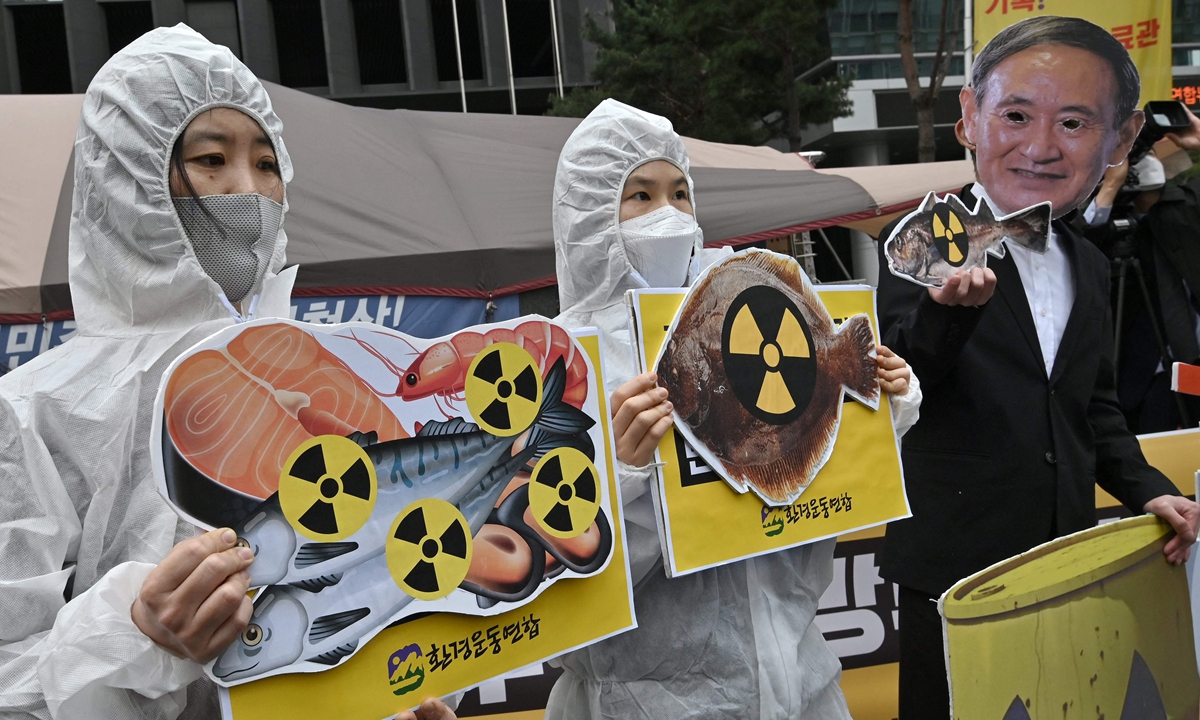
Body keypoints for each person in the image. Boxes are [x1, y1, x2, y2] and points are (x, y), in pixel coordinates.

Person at [0, 26, 454, 720]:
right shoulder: (35, 412)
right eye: (212, 159)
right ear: (127, 176)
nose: (250, 192)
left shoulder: (323, 371)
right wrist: (131, 633)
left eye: (268, 165)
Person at [547, 98, 922, 719]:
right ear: (588, 213)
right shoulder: (558, 367)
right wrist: (625, 479)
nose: (666, 214)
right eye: (638, 196)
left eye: (679, 193)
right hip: (645, 705)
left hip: (801, 686)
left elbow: (812, 494)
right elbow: (555, 581)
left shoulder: (745, 310)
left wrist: (881, 414)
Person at [874, 16, 1200, 718]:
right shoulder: (929, 237)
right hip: (954, 571)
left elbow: (1093, 407)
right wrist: (949, 311)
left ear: (1119, 138)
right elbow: (898, 377)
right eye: (1016, 115)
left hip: (1065, 562)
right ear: (970, 118)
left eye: (1076, 123)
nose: (1041, 146)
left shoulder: (1088, 259)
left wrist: (1148, 489)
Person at [1080, 111, 1200, 433]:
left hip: (1191, 366)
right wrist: (1107, 191)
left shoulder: (1183, 209)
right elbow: (1078, 252)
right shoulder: (1093, 221)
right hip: (1130, 378)